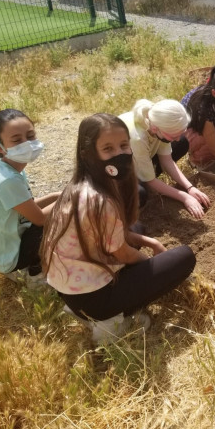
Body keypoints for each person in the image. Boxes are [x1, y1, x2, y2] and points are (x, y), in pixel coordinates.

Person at [41, 113, 196, 343]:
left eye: (124, 145)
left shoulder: (77, 188)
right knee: (184, 257)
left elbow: (107, 237)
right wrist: (150, 264)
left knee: (138, 229)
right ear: (88, 154)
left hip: (72, 289)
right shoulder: (100, 200)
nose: (120, 154)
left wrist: (149, 242)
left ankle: (98, 310)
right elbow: (121, 252)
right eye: (108, 149)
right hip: (94, 299)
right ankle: (112, 323)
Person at [0, 109, 59, 282]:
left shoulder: (4, 168)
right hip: (7, 259)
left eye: (30, 136)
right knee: (63, 218)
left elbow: (26, 206)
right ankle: (33, 272)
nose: (27, 144)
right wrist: (72, 197)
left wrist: (58, 195)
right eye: (17, 140)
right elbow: (39, 219)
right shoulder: (7, 180)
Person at [119, 99, 210, 219]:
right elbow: (150, 181)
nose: (176, 139)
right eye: (174, 135)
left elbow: (166, 160)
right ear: (156, 128)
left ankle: (147, 174)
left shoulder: (158, 124)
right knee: (140, 193)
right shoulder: (138, 138)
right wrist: (184, 197)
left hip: (141, 156)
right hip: (120, 170)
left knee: (182, 143)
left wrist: (190, 188)